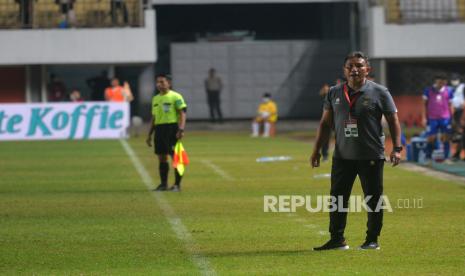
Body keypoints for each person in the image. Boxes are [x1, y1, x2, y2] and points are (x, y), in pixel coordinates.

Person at [310, 51, 402, 251]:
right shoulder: (334, 92)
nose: (354, 69)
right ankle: (337, 239)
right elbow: (325, 124)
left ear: (367, 69)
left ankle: (372, 239)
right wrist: (317, 150)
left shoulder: (380, 92)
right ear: (344, 70)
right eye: (350, 66)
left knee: (373, 199)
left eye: (359, 65)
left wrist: (396, 148)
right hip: (342, 156)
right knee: (337, 199)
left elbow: (394, 121)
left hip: (371, 155)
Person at [146, 74, 187, 192]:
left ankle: (177, 185)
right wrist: (149, 135)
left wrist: (181, 129)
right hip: (159, 130)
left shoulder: (175, 96)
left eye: (162, 82)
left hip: (172, 129)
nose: (159, 84)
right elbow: (154, 118)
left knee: (176, 158)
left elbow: (182, 113)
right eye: (158, 82)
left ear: (169, 83)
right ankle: (163, 184)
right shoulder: (155, 98)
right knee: (162, 158)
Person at [421, 74, 453, 159]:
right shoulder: (428, 90)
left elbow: (450, 105)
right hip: (432, 118)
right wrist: (423, 117)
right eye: (440, 82)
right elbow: (424, 105)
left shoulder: (449, 91)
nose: (441, 84)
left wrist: (452, 118)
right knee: (431, 137)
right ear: (436, 81)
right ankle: (428, 156)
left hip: (445, 118)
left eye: (443, 82)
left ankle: (446, 157)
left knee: (446, 137)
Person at [450, 74, 464, 160]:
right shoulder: (450, 89)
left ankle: (458, 153)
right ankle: (457, 153)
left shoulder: (462, 87)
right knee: (457, 135)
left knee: (461, 134)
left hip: (462, 111)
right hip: (454, 112)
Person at [319, 83, 331, 161]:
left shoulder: (333, 96)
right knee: (325, 139)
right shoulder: (322, 99)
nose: (326, 90)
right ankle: (325, 155)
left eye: (327, 89)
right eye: (325, 89)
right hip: (326, 121)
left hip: (335, 120)